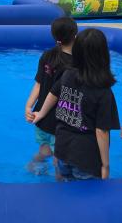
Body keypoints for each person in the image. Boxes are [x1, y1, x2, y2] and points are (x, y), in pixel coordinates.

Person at [32, 29, 120, 181]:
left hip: (61, 149)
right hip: (85, 158)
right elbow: (101, 131)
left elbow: (53, 93)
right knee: (86, 198)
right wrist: (105, 165)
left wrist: (41, 113)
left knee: (63, 189)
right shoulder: (103, 91)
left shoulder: (68, 74)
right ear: (104, 54)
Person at [24, 17, 77, 175]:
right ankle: (58, 188)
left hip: (39, 116)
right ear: (75, 35)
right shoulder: (75, 63)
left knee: (45, 149)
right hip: (60, 119)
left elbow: (39, 83)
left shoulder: (47, 55)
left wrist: (28, 106)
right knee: (59, 158)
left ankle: (32, 165)